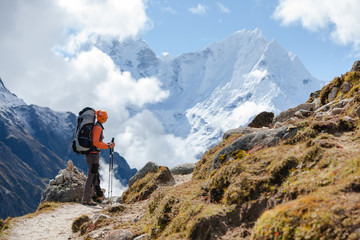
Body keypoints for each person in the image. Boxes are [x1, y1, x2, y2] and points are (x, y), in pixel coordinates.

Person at [82, 109, 115, 206]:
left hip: (91, 154)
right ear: (104, 119)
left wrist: (107, 144)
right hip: (93, 155)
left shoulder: (96, 126)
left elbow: (96, 142)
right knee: (91, 176)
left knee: (95, 174)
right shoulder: (98, 128)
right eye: (106, 118)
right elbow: (96, 142)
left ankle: (99, 194)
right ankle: (86, 199)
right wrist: (108, 146)